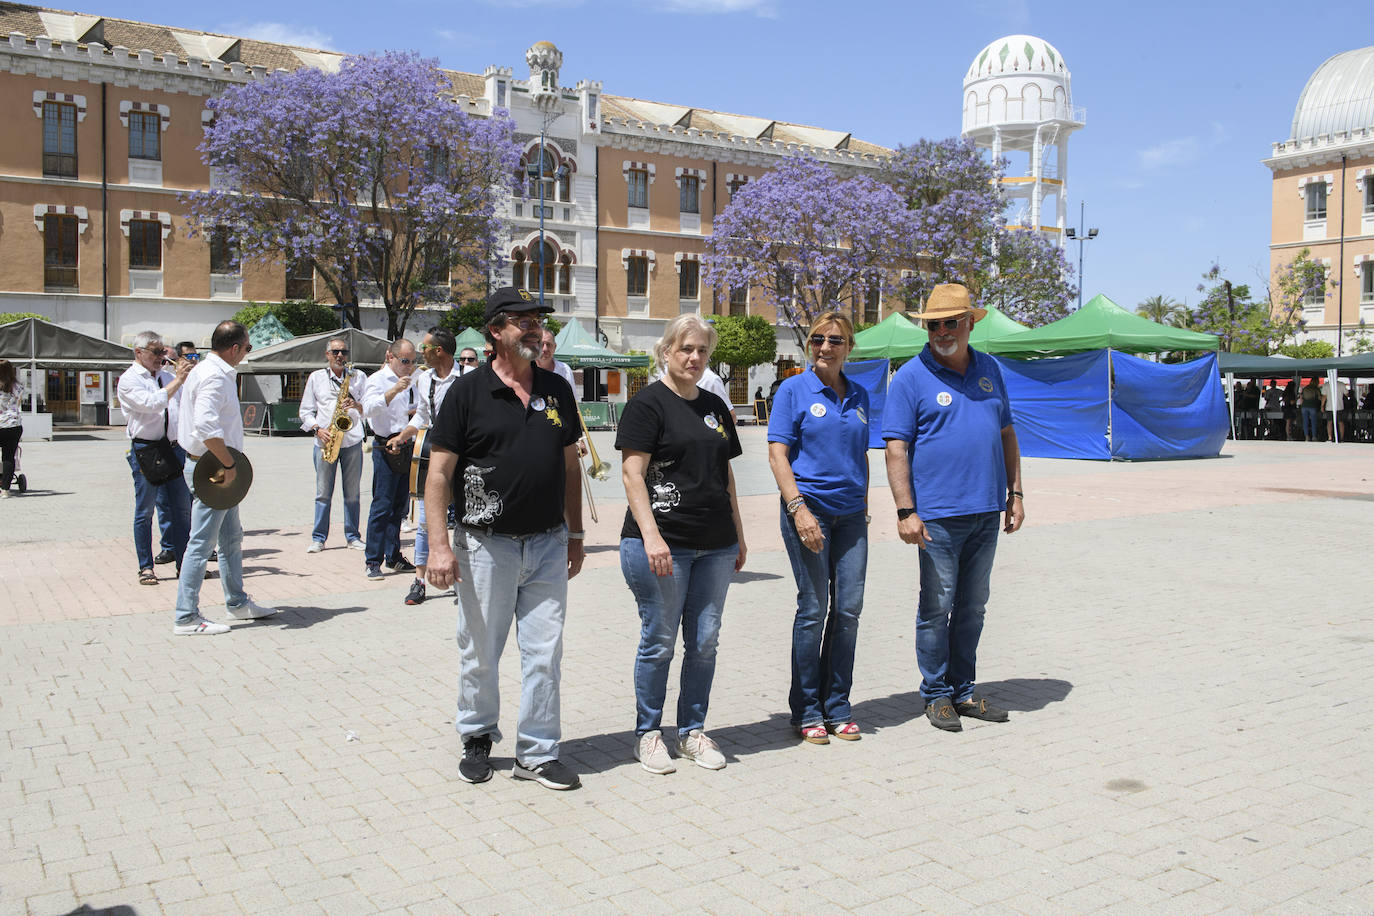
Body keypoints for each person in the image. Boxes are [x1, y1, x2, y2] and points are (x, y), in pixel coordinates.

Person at [424, 286, 585, 791]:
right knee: (481, 649)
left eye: (538, 319)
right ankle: (476, 734)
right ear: (496, 331)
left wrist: (575, 533)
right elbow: (437, 475)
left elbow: (569, 465)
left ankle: (536, 752)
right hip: (483, 546)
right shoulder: (466, 392)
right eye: (524, 320)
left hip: (546, 544)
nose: (535, 327)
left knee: (544, 652)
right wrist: (438, 545)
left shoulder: (556, 389)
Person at [881, 283, 1024, 732]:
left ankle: (964, 690)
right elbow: (895, 449)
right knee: (936, 606)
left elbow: (1007, 435)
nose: (942, 331)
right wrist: (906, 511)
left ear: (968, 324)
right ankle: (936, 693)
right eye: (934, 324)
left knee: (973, 605)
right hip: (937, 518)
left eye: (950, 322)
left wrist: (1015, 494)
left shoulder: (990, 370)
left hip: (985, 512)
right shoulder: (909, 377)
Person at [617, 314, 746, 775]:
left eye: (702, 351)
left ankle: (692, 731)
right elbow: (633, 474)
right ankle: (648, 734)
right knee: (660, 641)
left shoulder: (714, 405)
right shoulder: (648, 404)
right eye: (685, 349)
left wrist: (739, 533)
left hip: (714, 544)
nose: (693, 358)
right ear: (666, 351)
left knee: (705, 641)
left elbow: (724, 474)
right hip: (662, 543)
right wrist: (652, 537)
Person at [768, 312, 870, 744]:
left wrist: (864, 504)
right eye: (817, 339)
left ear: (849, 347)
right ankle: (807, 709)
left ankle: (838, 706)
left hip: (851, 518)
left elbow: (861, 453)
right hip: (807, 512)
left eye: (835, 340)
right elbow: (777, 454)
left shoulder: (861, 393)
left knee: (847, 611)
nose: (825, 347)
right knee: (813, 610)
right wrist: (799, 509)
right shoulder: (793, 389)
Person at [173, 321, 277, 635]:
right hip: (213, 468)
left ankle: (237, 602)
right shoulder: (214, 377)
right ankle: (186, 616)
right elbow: (205, 427)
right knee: (201, 543)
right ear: (234, 348)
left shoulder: (211, 372)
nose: (247, 353)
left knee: (231, 538)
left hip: (213, 465)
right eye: (247, 348)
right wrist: (229, 465)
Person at [117, 332, 193, 584]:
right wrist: (179, 380)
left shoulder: (168, 376)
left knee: (182, 509)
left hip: (174, 447)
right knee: (145, 510)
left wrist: (187, 378)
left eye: (163, 351)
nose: (161, 357)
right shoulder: (129, 380)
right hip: (146, 449)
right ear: (138, 352)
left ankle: (185, 564)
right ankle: (145, 566)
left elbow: (184, 409)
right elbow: (152, 404)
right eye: (155, 352)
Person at [396, 327, 462, 606]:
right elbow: (422, 415)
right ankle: (420, 581)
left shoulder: (468, 378)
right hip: (435, 452)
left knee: (463, 521)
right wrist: (402, 435)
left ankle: (463, 581)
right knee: (425, 521)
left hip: (465, 455)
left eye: (425, 348)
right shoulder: (424, 380)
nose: (420, 352)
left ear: (439, 351)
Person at [298, 337, 368, 553]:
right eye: (336, 352)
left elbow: (368, 408)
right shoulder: (316, 378)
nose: (340, 356)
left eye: (344, 352)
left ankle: (353, 536)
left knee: (353, 493)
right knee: (323, 493)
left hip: (352, 441)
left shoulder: (358, 377)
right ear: (327, 354)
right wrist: (318, 428)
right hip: (324, 441)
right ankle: (319, 538)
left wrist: (356, 404)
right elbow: (305, 411)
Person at [362, 339, 419, 580]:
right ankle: (373, 560)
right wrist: (394, 390)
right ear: (390, 357)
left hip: (404, 442)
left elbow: (409, 410)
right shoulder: (377, 380)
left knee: (399, 507)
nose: (409, 366)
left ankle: (393, 555)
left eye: (413, 361)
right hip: (384, 444)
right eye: (405, 361)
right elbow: (369, 409)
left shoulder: (411, 381)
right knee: (382, 505)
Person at [0, 359, 23, 498]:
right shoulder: (17, 386)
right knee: (9, 457)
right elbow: (18, 403)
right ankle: (5, 490)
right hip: (13, 425)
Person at [1300, 376, 1322, 442]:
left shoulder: (1305, 388)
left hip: (1304, 406)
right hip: (1313, 406)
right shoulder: (1316, 388)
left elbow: (1301, 397)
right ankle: (1314, 436)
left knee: (1305, 422)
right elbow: (1319, 398)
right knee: (1313, 422)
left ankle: (1306, 436)